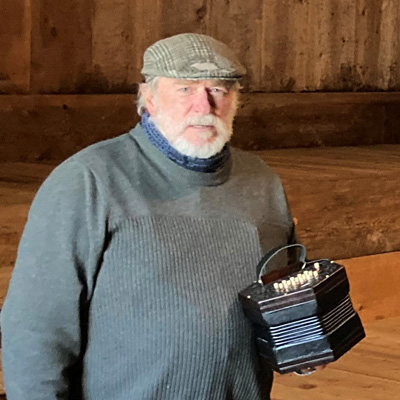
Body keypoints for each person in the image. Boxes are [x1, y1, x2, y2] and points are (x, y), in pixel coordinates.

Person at [1, 33, 296, 400]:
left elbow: (286, 289)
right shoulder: (89, 180)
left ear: (235, 100)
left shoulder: (261, 181)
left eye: (218, 90)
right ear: (149, 98)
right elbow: (35, 328)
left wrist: (304, 335)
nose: (204, 106)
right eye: (185, 89)